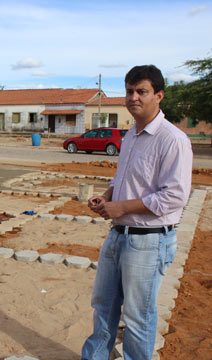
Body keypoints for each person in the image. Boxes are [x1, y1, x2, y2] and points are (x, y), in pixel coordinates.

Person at [81, 65, 192, 360]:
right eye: (129, 91)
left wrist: (121, 207)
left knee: (138, 317)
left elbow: (175, 196)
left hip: (148, 241)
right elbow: (123, 179)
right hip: (118, 235)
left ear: (159, 95)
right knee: (103, 306)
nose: (133, 98)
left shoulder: (173, 139)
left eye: (141, 91)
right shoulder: (130, 135)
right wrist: (106, 196)